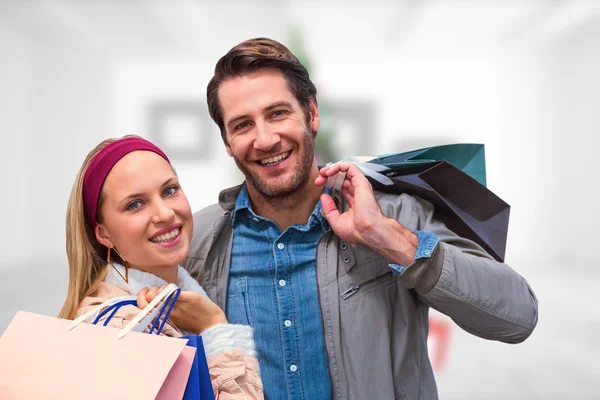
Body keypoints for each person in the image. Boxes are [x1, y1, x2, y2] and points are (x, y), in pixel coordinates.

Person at [183, 38, 539, 400]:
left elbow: (517, 317)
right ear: (227, 142)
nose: (265, 138)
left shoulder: (393, 214)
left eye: (277, 113)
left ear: (312, 113)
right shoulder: (199, 244)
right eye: (242, 125)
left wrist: (389, 239)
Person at [59, 135, 263, 399]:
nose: (165, 213)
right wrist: (214, 328)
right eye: (135, 204)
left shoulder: (183, 296)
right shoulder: (119, 328)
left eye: (169, 190)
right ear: (103, 234)